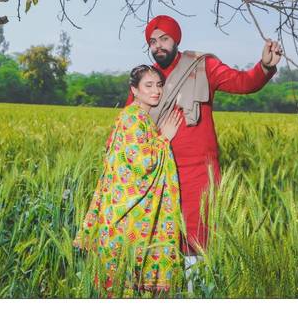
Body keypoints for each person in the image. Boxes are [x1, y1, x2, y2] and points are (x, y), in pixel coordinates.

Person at [125, 15, 283, 282]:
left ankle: (194, 290)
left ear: (176, 40)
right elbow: (129, 126)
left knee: (197, 238)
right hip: (156, 172)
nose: (158, 46)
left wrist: (264, 67)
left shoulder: (203, 66)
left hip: (198, 173)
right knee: (157, 236)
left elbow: (242, 82)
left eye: (164, 39)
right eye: (153, 42)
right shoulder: (147, 80)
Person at [73, 65, 187, 296]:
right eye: (148, 85)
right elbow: (141, 165)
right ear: (134, 89)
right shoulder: (132, 119)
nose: (156, 91)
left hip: (123, 217)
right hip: (124, 220)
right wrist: (165, 138)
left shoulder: (138, 117)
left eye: (159, 85)